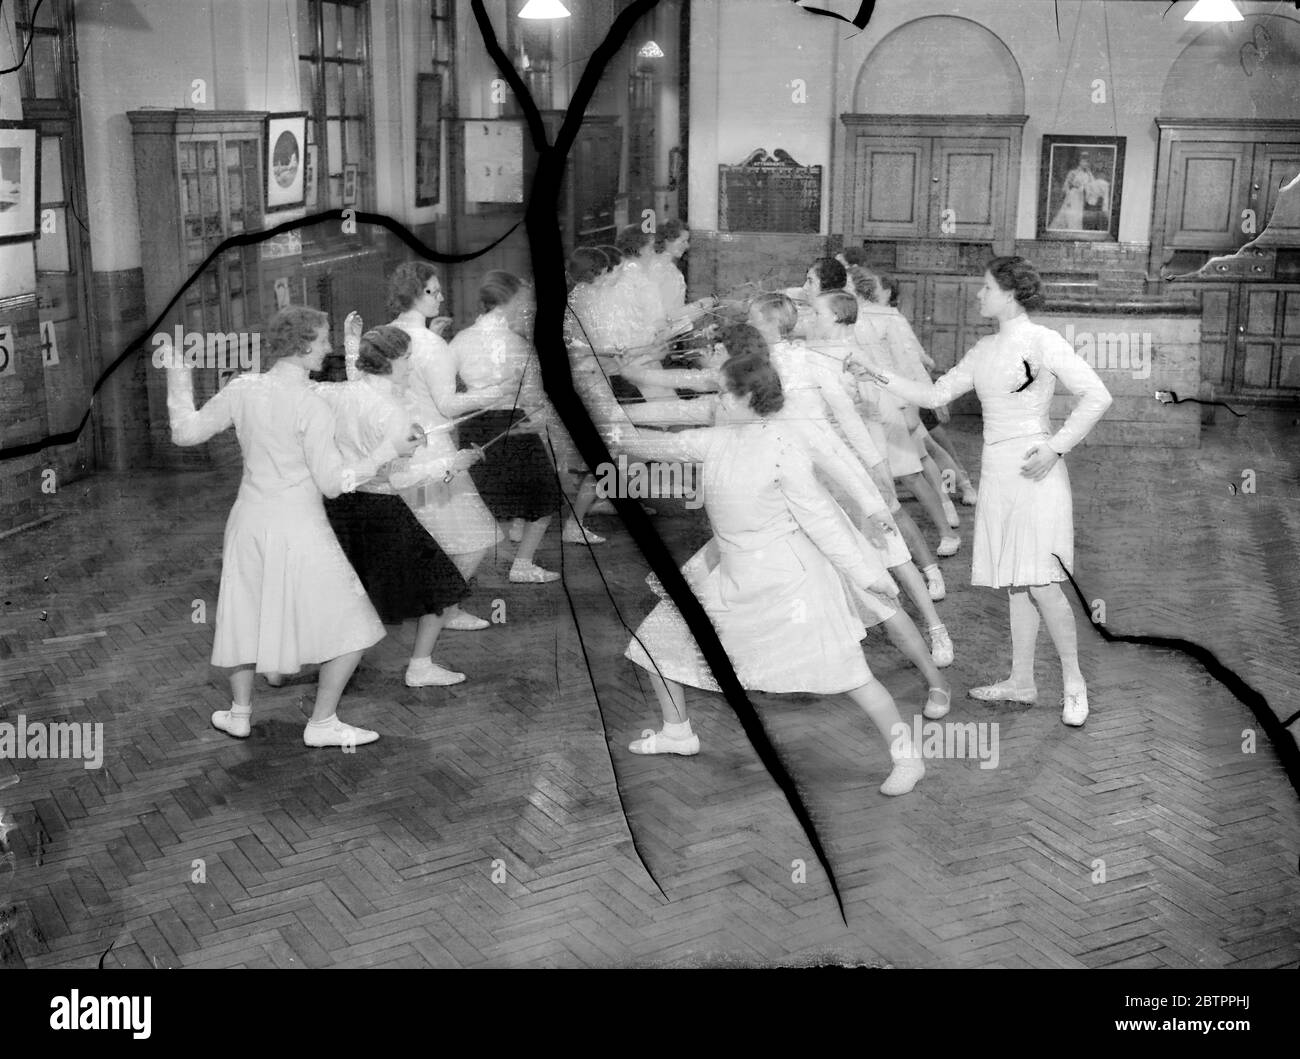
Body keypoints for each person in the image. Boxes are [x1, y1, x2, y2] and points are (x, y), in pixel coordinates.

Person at [615, 328, 926, 796]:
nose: (716, 400)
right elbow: (642, 445)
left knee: (851, 675)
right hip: (732, 576)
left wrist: (869, 576)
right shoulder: (714, 442)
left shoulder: (784, 447)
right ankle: (677, 731)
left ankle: (908, 757)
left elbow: (822, 521)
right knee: (656, 643)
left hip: (791, 585)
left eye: (723, 393)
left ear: (745, 399)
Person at [855, 256, 1112, 727]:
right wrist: (875, 372)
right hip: (998, 469)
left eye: (986, 287)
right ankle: (1021, 680)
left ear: (1010, 293)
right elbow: (934, 396)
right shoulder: (985, 348)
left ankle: (1074, 683)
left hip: (1037, 468)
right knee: (1016, 581)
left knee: (1043, 582)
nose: (978, 294)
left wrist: (1055, 448)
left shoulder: (1043, 340)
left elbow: (1097, 395)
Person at [161, 306, 421, 749]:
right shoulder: (312, 403)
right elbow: (334, 484)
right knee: (356, 624)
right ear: (301, 346)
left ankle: (240, 713)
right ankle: (322, 722)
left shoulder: (243, 389)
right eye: (321, 340)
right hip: (300, 526)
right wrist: (386, 451)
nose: (328, 348)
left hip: (248, 522)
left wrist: (177, 374)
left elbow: (185, 432)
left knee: (246, 615)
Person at [748, 292, 953, 676]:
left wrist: (877, 471)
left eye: (754, 320)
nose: (749, 326)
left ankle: (936, 627)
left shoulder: (807, 360)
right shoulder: (754, 366)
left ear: (772, 323)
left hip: (839, 469)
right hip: (795, 477)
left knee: (891, 549)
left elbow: (851, 417)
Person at [315, 325, 477, 688]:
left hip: (337, 506)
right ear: (387, 361)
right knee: (443, 585)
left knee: (348, 592)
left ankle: (286, 663)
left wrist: (353, 341)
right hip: (380, 509)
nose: (410, 365)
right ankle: (420, 667)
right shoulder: (394, 414)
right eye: (405, 359)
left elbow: (358, 386)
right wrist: (452, 464)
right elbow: (402, 480)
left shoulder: (340, 392)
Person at [384, 262, 506, 626]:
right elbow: (447, 405)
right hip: (436, 456)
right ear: (414, 295)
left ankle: (437, 606)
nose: (440, 296)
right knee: (476, 538)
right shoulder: (431, 344)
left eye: (438, 291)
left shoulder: (387, 334)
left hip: (401, 453)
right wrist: (495, 391)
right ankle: (443, 609)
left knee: (433, 531)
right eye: (432, 292)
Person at [808, 290, 962, 559]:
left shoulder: (873, 325)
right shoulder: (826, 339)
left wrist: (917, 404)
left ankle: (949, 516)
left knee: (920, 467)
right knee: (911, 468)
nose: (813, 317)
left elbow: (906, 359)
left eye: (817, 313)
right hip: (868, 414)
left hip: (888, 407)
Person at [449, 271, 563, 583]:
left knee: (487, 500)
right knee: (545, 498)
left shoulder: (460, 340)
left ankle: (487, 565)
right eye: (522, 301)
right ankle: (522, 565)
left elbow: (447, 394)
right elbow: (533, 397)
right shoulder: (516, 344)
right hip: (512, 423)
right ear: (508, 302)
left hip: (473, 425)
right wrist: (542, 423)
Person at [846, 264, 963, 534]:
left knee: (921, 458)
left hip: (898, 396)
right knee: (920, 456)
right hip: (876, 399)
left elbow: (911, 359)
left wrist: (931, 399)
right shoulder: (850, 316)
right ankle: (946, 505)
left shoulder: (888, 317)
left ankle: (948, 502)